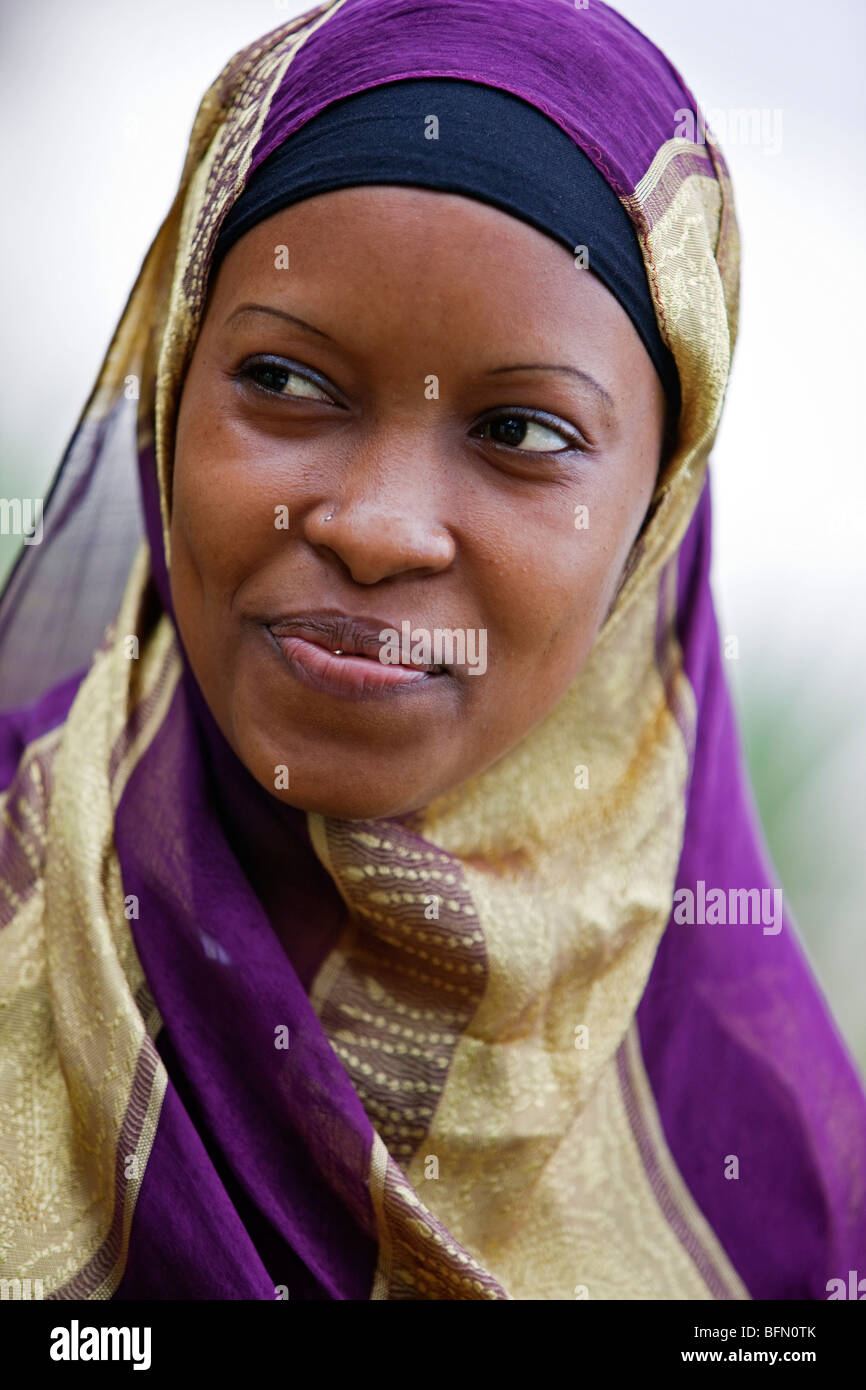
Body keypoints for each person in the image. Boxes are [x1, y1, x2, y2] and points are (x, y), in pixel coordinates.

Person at [0, 0, 863, 1301]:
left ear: (654, 518)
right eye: (286, 383)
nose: (375, 527)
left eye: (521, 431)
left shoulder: (779, 1189)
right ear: (174, 383)